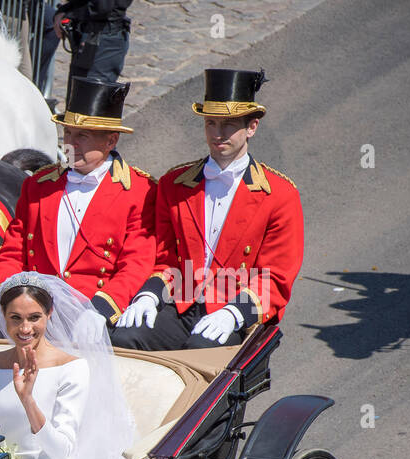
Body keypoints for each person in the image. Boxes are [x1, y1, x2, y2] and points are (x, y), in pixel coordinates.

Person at [112, 68, 303, 350]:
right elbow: (166, 259)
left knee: (201, 351)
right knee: (124, 338)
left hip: (234, 307)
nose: (218, 134)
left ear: (252, 127)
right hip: (182, 302)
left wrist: (233, 314)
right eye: (211, 123)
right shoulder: (174, 184)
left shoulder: (280, 195)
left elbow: (275, 276)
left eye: (228, 125)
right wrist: (149, 296)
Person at [0, 77, 154, 330]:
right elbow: (13, 253)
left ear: (111, 140)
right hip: (31, 313)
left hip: (91, 315)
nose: (71, 144)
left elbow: (136, 264)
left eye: (82, 135)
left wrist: (101, 311)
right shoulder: (38, 185)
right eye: (68, 133)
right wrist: (0, 301)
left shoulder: (139, 191)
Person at [0, 271, 135, 459]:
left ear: (50, 313)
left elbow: (60, 453)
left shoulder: (72, 368)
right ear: (3, 314)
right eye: (16, 318)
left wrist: (28, 400)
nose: (25, 328)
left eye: (34, 317)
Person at [54, 0, 132, 86]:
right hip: (92, 35)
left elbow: (102, 7)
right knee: (77, 94)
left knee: (88, 95)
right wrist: (65, 10)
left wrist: (69, 13)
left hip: (103, 38)